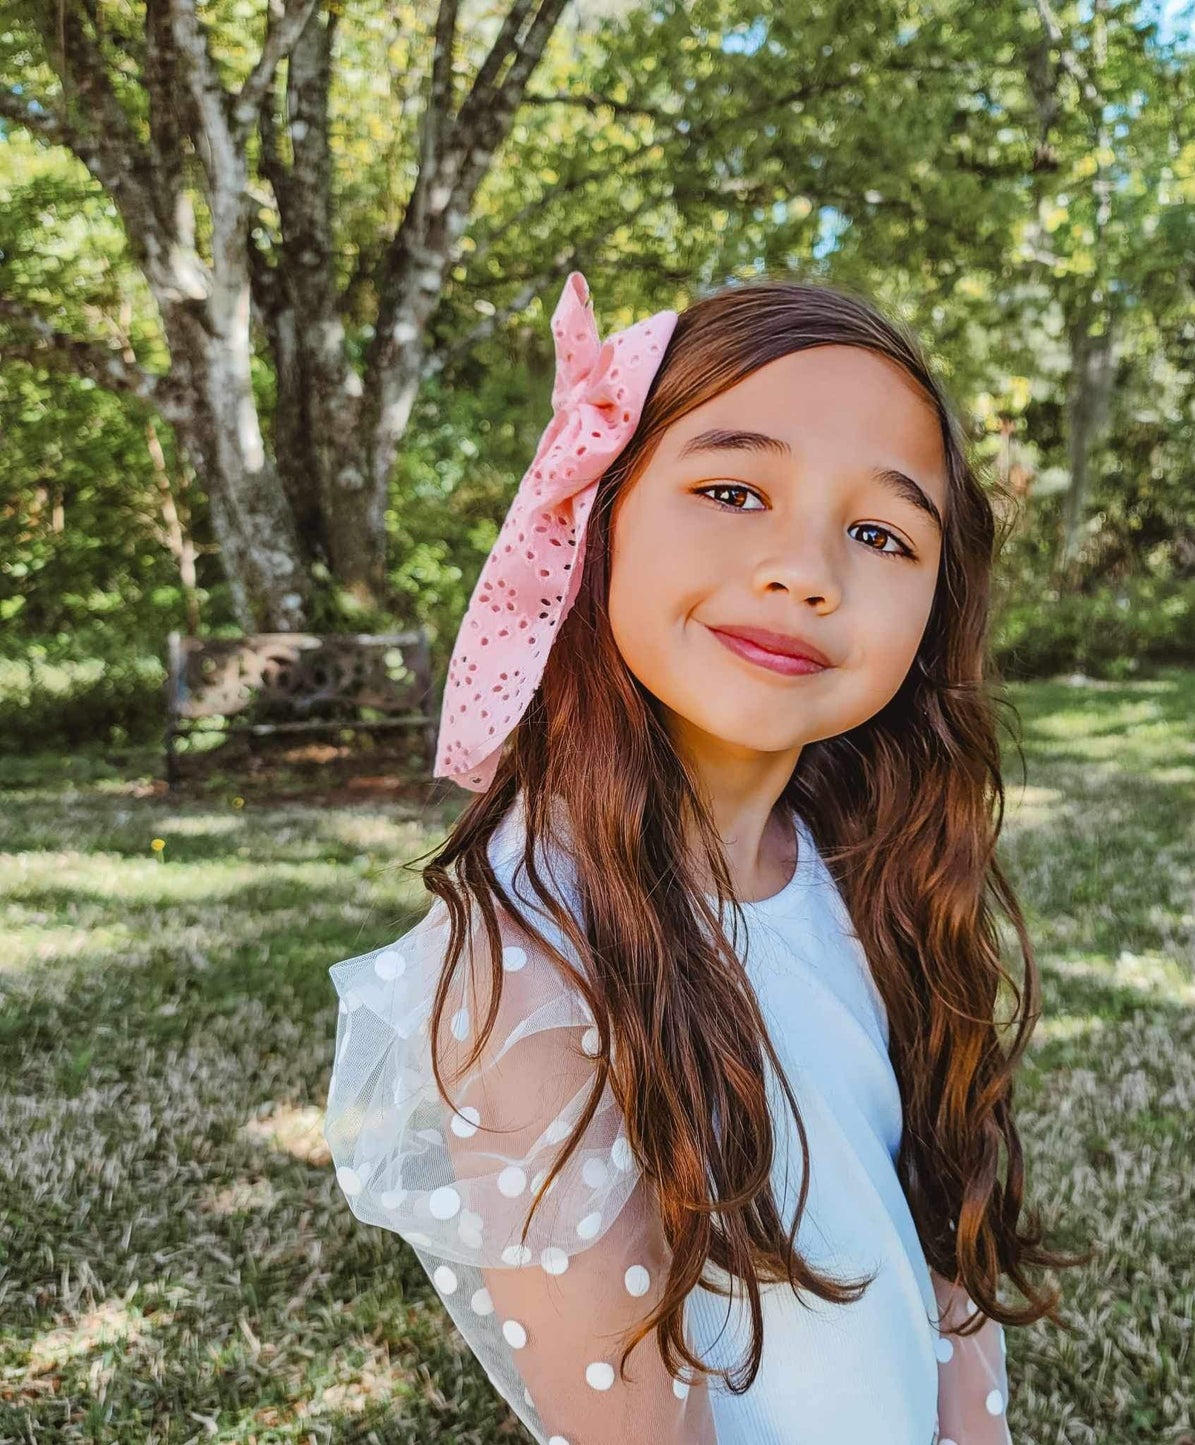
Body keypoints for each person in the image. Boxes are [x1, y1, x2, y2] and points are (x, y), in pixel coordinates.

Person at [323, 271, 1084, 1445]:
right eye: (732, 488)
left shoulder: (867, 874)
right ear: (600, 514)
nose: (806, 569)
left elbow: (937, 1244)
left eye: (880, 532)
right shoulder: (527, 966)